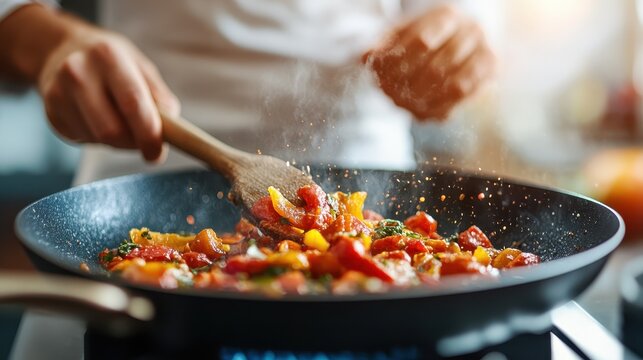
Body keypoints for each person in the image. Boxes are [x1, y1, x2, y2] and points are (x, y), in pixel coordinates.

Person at [0, 1, 494, 183]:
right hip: (141, 173)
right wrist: (52, 43)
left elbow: (471, 23)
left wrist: (457, 44)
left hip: (369, 180)